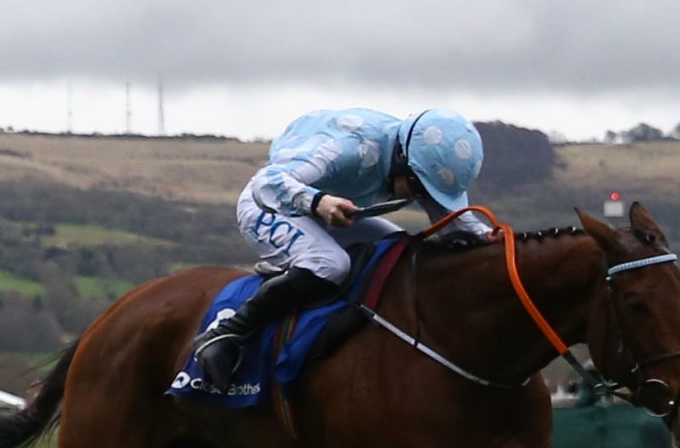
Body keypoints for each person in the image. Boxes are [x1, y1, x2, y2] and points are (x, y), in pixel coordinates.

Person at [188, 107, 486, 388]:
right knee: (331, 264)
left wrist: (496, 240)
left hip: (327, 210)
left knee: (398, 249)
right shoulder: (349, 149)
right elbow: (266, 183)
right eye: (419, 186)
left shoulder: (409, 157)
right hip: (269, 204)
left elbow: (455, 225)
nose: (420, 197)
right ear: (401, 158)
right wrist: (318, 202)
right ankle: (226, 334)